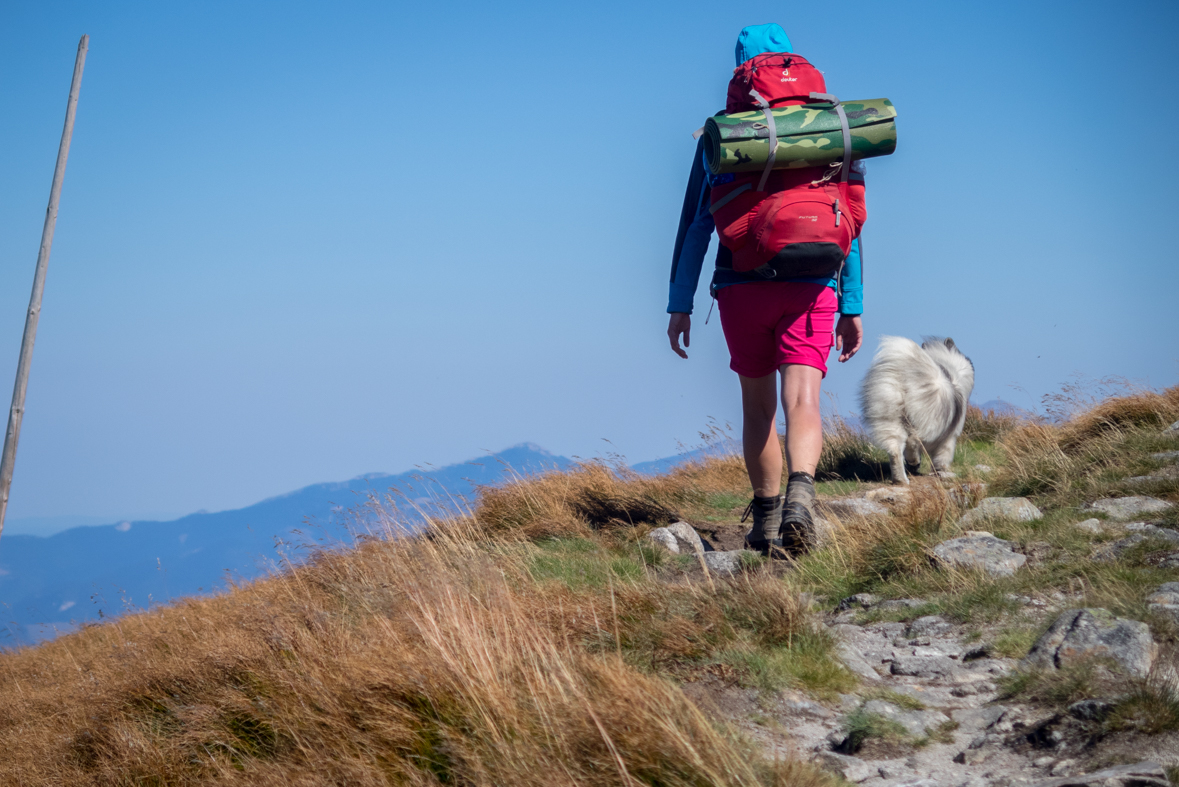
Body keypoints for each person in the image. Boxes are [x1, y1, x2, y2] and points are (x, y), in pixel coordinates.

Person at [666, 23, 865, 557]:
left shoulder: (726, 132)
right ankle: (803, 494)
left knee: (758, 411)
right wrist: (852, 304)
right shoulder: (830, 128)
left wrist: (679, 304)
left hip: (741, 286)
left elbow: (696, 225)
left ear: (742, 70)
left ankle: (767, 524)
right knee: (803, 399)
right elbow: (848, 222)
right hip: (814, 284)